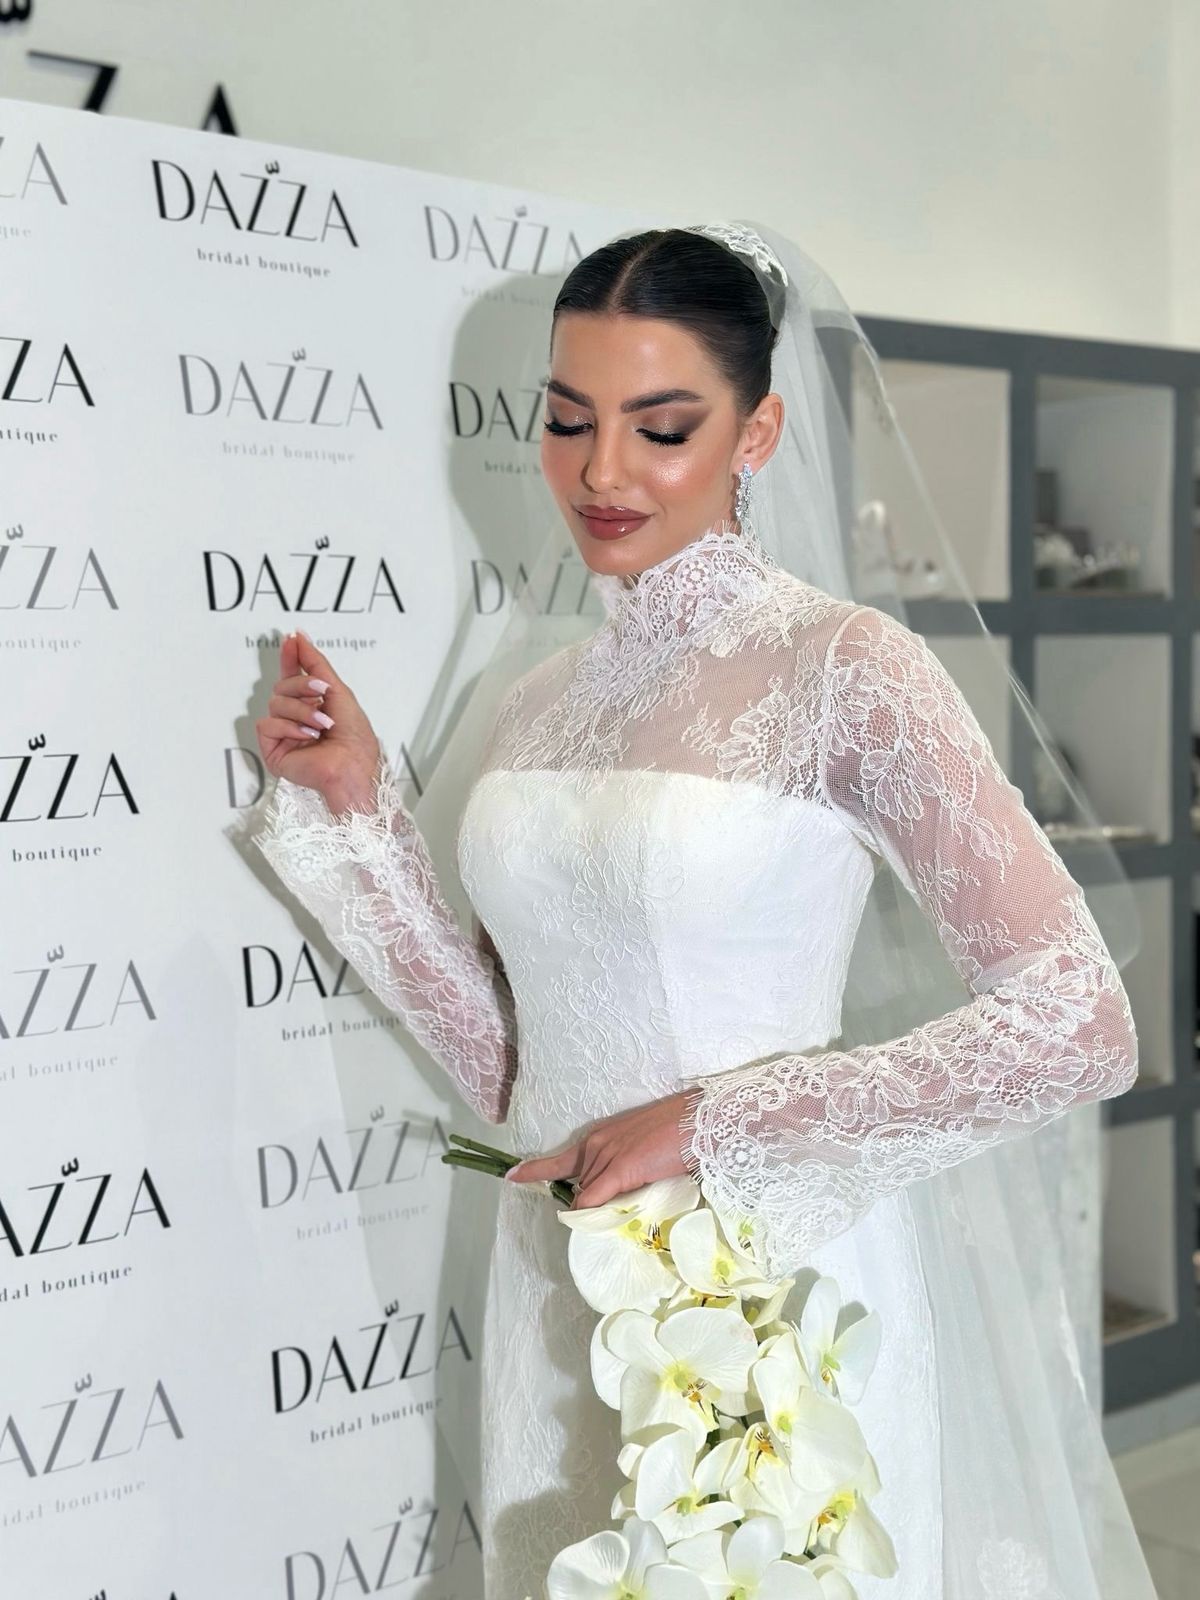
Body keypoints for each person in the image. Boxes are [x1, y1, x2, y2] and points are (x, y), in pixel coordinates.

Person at [249, 223, 1156, 1598]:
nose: (601, 472)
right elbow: (509, 1066)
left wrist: (712, 1125)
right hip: (563, 1295)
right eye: (568, 421)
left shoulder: (847, 670)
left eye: (661, 428)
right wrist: (355, 810)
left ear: (758, 433)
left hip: (772, 1290)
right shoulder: (535, 700)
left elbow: (1081, 1022)